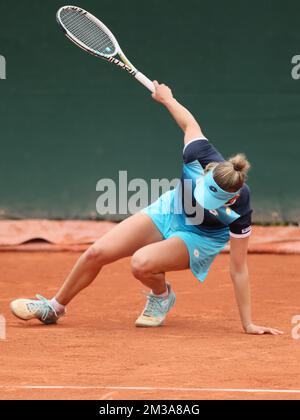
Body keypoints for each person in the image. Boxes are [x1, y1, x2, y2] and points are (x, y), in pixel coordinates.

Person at [10, 81, 282, 335]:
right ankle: (54, 308)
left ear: (231, 199)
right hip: (169, 210)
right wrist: (168, 99)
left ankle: (162, 297)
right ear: (207, 172)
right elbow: (188, 122)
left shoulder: (241, 208)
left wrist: (248, 324)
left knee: (141, 264)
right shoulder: (198, 155)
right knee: (97, 252)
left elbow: (238, 269)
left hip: (201, 237)